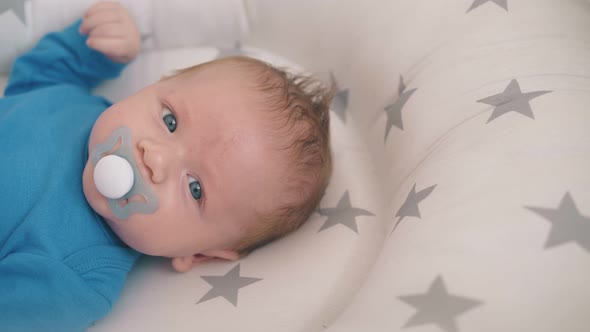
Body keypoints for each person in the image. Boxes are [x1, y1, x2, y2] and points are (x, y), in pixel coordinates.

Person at [0, 1, 333, 330]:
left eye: (195, 188)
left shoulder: (74, 278)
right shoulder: (74, 101)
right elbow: (36, 76)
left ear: (200, 254)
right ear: (153, 86)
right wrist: (95, 47)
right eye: (170, 120)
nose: (155, 158)